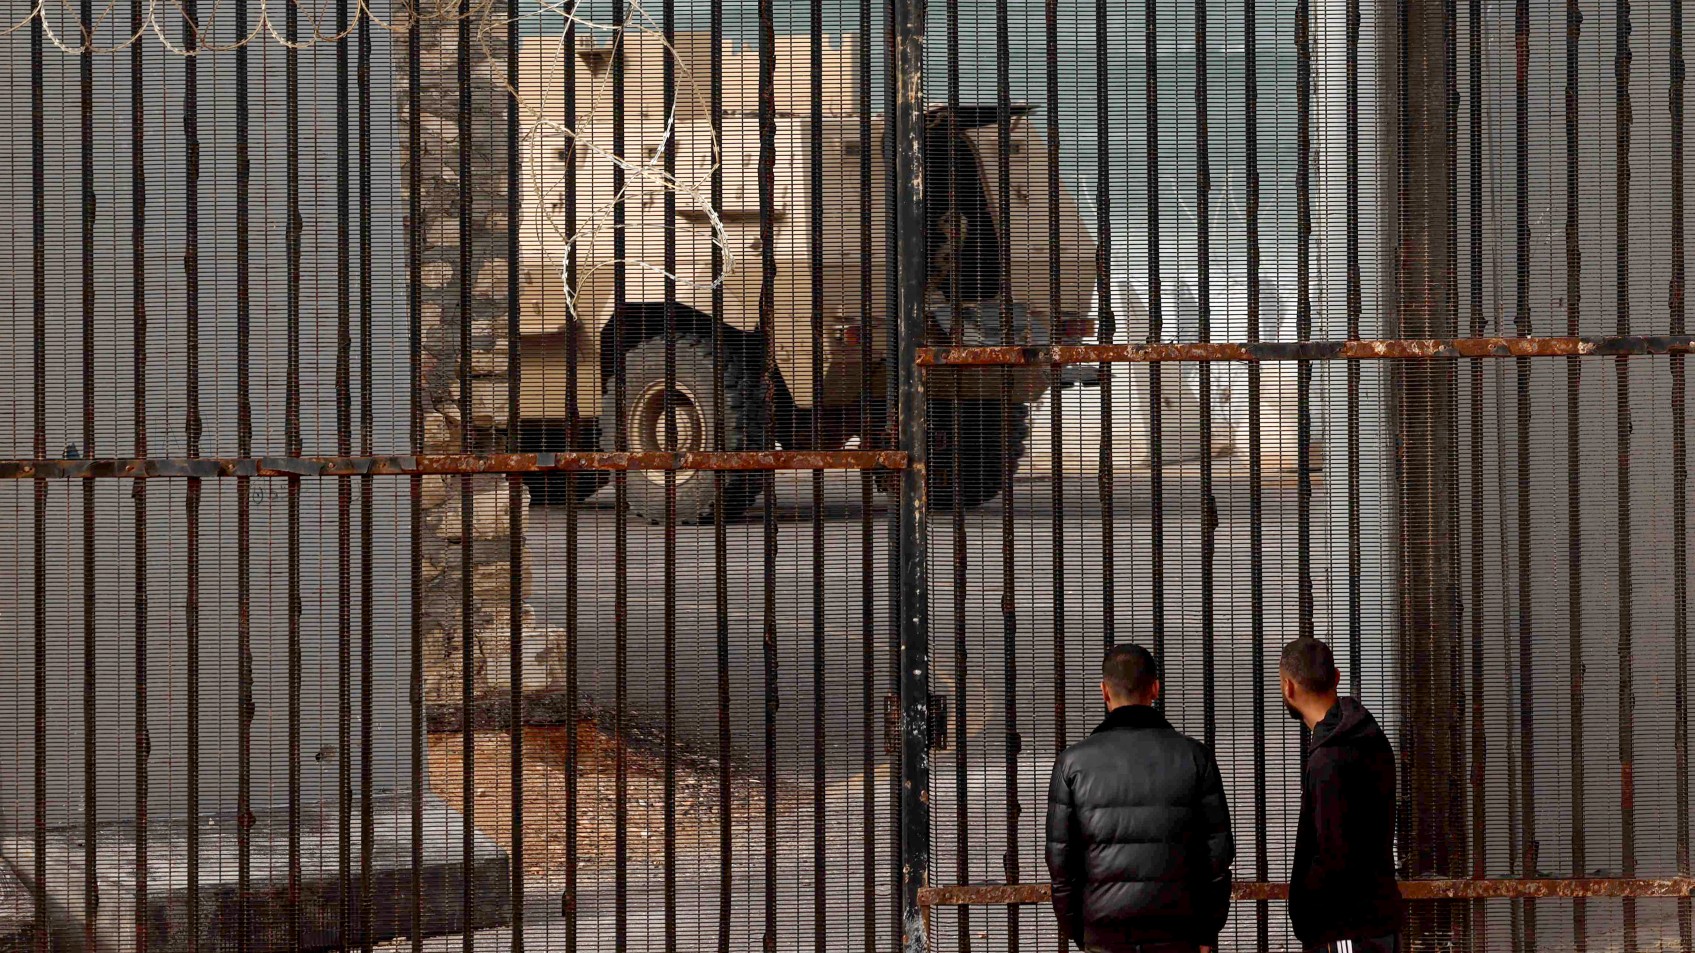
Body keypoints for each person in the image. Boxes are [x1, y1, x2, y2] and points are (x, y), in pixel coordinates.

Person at [1046, 645, 1234, 953]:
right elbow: (1217, 855)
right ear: (1156, 688)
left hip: (1104, 933)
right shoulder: (1195, 757)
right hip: (1179, 932)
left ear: (1104, 691)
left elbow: (1061, 862)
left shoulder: (1072, 764)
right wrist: (1206, 931)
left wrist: (1080, 931)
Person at [1280, 637, 1405, 953]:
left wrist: (1310, 915)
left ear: (1288, 688)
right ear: (1336, 677)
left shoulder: (1330, 758)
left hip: (1346, 927)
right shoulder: (1368, 739)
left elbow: (1334, 853)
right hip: (1371, 922)